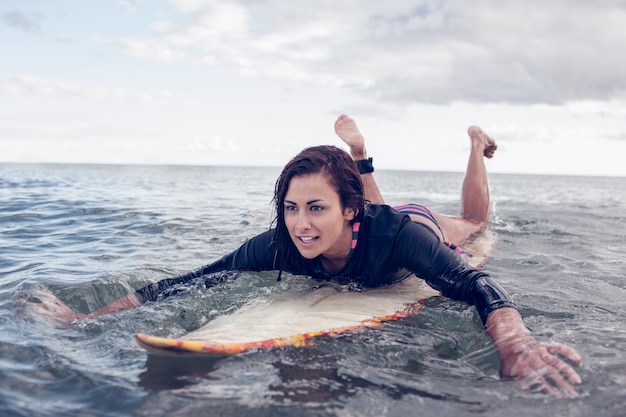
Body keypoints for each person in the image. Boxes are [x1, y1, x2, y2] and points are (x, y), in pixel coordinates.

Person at [19, 115, 582, 398]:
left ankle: (473, 147)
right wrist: (83, 317)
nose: (300, 224)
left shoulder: (401, 238)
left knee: (476, 224)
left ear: (346, 211)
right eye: (291, 207)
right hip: (367, 216)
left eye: (314, 208)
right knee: (357, 217)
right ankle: (360, 161)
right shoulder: (281, 242)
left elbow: (479, 288)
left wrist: (515, 344)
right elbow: (188, 281)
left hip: (419, 223)